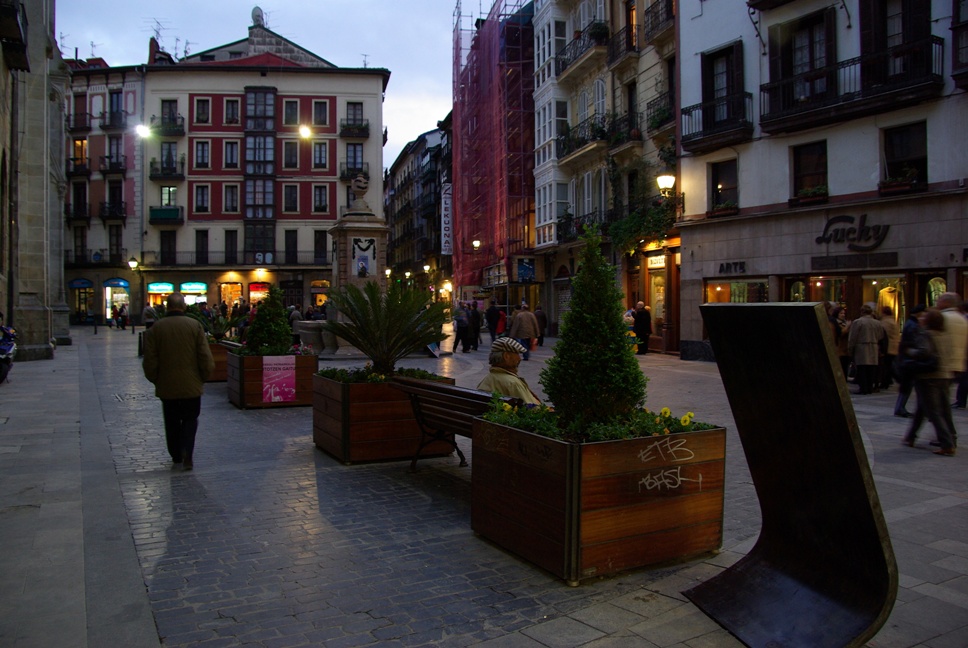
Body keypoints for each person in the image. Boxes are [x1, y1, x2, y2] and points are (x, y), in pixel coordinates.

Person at [142, 292, 215, 470]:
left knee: (171, 420)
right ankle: (187, 454)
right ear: (183, 307)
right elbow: (205, 356)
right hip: (191, 384)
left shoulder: (155, 329)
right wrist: (203, 378)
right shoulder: (195, 326)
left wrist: (156, 379)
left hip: (167, 385)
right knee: (191, 419)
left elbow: (150, 361)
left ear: (167, 307)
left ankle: (175, 454)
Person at [902, 308, 956, 456]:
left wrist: (909, 352)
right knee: (928, 407)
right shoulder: (946, 335)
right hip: (945, 374)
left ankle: (947, 444)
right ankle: (911, 436)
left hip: (928, 376)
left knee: (933, 411)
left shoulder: (925, 334)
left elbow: (923, 351)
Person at [477, 337, 541, 405]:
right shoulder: (512, 383)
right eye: (517, 354)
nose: (519, 358)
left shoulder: (488, 379)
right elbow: (533, 408)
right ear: (506, 356)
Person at [937, 293, 968, 411]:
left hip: (941, 363)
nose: (937, 301)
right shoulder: (962, 319)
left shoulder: (942, 317)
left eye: (939, 300)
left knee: (933, 397)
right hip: (958, 362)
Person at [894, 305, 926, 417]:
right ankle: (900, 408)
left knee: (907, 386)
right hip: (909, 360)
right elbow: (913, 342)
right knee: (908, 386)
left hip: (907, 359)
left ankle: (900, 407)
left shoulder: (910, 324)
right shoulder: (913, 325)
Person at [848, 304, 884, 395]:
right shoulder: (877, 323)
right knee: (871, 369)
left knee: (862, 368)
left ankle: (863, 388)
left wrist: (850, 348)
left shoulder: (858, 322)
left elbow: (853, 336)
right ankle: (869, 387)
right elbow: (881, 336)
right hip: (874, 346)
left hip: (861, 347)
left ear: (862, 312)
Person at [878, 306, 900, 389]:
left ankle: (885, 382)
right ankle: (888, 380)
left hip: (888, 346)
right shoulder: (893, 321)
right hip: (894, 346)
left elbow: (882, 334)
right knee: (890, 365)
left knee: (886, 366)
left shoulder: (885, 322)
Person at [829, 305, 851, 379]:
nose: (843, 315)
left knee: (845, 368)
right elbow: (840, 334)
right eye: (841, 313)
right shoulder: (835, 323)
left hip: (846, 349)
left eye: (844, 313)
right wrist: (847, 327)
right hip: (840, 348)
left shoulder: (845, 322)